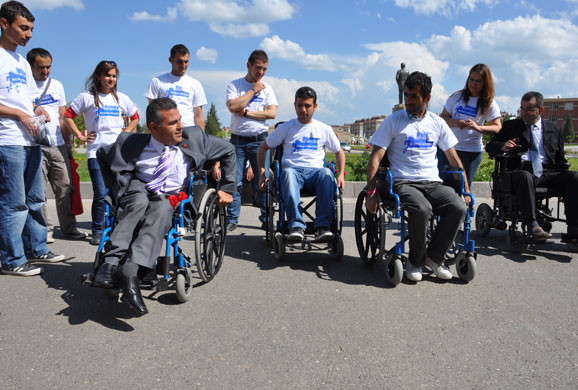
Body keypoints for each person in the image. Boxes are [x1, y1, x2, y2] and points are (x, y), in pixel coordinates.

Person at [93, 97, 236, 314]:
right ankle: (110, 264)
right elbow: (101, 155)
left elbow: (229, 150)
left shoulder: (194, 137)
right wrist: (115, 188)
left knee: (161, 208)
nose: (180, 126)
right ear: (153, 127)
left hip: (169, 196)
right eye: (172, 123)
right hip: (138, 187)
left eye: (179, 120)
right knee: (137, 202)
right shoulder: (129, 142)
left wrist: (227, 187)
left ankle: (129, 270)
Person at [365, 71, 470, 282]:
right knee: (422, 209)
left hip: (432, 182)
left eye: (414, 96)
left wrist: (465, 190)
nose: (409, 101)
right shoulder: (394, 121)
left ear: (427, 98)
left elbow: (453, 159)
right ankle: (415, 261)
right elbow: (376, 157)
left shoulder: (437, 123)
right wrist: (371, 192)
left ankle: (434, 258)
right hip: (402, 182)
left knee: (458, 207)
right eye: (406, 95)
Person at [0, 1, 65, 276]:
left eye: (31, 29)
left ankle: (37, 248)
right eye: (23, 28)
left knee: (36, 199)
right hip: (8, 140)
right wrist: (18, 114)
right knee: (13, 201)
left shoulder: (21, 63)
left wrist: (35, 110)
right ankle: (11, 259)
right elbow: (14, 107)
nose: (29, 34)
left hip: (31, 139)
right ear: (4, 24)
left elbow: (27, 98)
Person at [64, 60, 139, 245]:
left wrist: (126, 132)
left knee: (118, 192)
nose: (111, 79)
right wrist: (80, 136)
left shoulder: (121, 98)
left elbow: (135, 117)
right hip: (96, 153)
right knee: (100, 192)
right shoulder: (86, 97)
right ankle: (97, 230)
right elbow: (67, 116)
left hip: (119, 153)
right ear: (98, 76)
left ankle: (115, 228)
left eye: (114, 76)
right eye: (107, 75)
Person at [486, 91, 578, 241]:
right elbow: (490, 146)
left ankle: (574, 229)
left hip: (547, 172)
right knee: (526, 176)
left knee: (574, 177)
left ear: (540, 110)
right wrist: (503, 146)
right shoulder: (511, 126)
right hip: (519, 170)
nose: (524, 112)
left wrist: (567, 188)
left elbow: (560, 159)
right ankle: (532, 225)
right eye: (522, 108)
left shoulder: (553, 129)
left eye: (529, 109)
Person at [257, 87, 345, 242]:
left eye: (307, 106)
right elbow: (263, 148)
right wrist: (262, 171)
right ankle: (296, 225)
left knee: (326, 173)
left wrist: (341, 174)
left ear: (315, 106)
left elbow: (339, 151)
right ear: (294, 105)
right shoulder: (286, 127)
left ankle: (323, 226)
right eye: (299, 105)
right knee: (288, 174)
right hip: (293, 173)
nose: (303, 110)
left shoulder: (323, 129)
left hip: (316, 174)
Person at [27, 47, 87, 242]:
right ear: (31, 66)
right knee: (40, 190)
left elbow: (63, 116)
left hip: (58, 144)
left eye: (48, 67)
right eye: (40, 67)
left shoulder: (56, 85)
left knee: (65, 186)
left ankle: (69, 228)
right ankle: (45, 231)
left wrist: (68, 144)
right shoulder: (25, 85)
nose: (45, 72)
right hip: (35, 144)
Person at [224, 49, 278, 232]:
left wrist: (246, 112)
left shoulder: (268, 89)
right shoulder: (235, 85)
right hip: (237, 141)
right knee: (235, 181)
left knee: (263, 181)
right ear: (248, 65)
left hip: (260, 141)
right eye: (258, 68)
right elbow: (232, 106)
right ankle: (232, 219)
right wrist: (253, 90)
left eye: (264, 69)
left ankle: (266, 218)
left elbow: (271, 113)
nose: (261, 73)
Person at [439, 64, 502, 186]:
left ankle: (466, 204)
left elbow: (497, 127)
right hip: (449, 148)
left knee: (463, 186)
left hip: (470, 151)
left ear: (485, 83)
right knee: (445, 185)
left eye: (478, 81)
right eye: (471, 79)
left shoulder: (489, 102)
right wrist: (456, 123)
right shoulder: (457, 96)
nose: (473, 84)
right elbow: (442, 118)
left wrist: (477, 127)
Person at [144, 44, 207, 130]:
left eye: (186, 61)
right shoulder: (157, 82)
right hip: (166, 132)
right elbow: (151, 114)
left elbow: (198, 116)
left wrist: (201, 139)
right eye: (179, 62)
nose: (183, 65)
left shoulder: (195, 84)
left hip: (188, 131)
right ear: (171, 60)